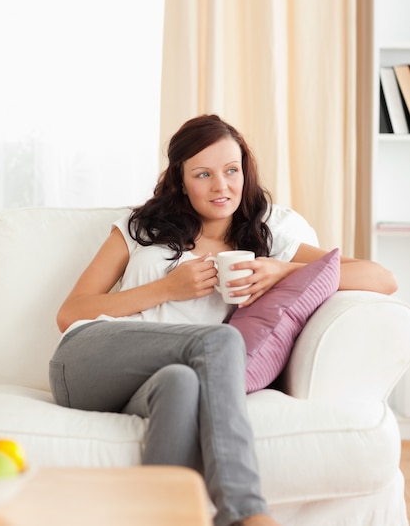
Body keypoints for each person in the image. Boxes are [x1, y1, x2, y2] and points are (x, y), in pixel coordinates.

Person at [49, 114, 397, 526]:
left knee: (183, 382)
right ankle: (246, 511)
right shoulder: (138, 228)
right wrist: (166, 289)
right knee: (221, 342)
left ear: (245, 173)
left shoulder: (267, 238)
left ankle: (160, 516)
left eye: (232, 171)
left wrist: (282, 271)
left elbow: (382, 278)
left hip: (157, 381)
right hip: (90, 360)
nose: (221, 186)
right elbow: (70, 313)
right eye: (203, 174)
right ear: (180, 181)